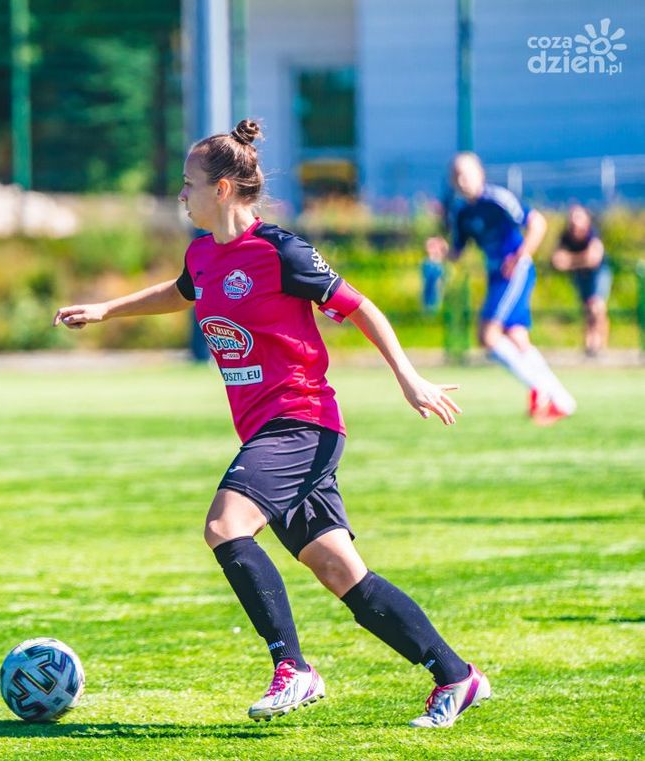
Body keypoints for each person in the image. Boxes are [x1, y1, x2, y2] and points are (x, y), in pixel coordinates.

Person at [53, 120, 490, 729]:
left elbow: (361, 306)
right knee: (342, 573)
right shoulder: (203, 253)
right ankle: (457, 676)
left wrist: (408, 377)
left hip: (303, 422)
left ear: (225, 188)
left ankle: (294, 669)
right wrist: (106, 310)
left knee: (225, 525)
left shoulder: (280, 251)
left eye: (189, 184)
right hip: (266, 432)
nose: (182, 195)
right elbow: (182, 291)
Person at [426, 153, 576, 425]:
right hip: (496, 275)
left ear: (480, 173)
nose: (462, 180)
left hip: (515, 272)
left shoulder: (497, 198)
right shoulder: (463, 212)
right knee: (517, 338)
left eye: (467, 173)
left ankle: (541, 390)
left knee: (488, 335)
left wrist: (520, 257)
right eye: (457, 175)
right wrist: (442, 250)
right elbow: (458, 253)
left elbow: (537, 223)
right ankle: (562, 400)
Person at [551, 204, 611, 356]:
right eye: (572, 218)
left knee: (597, 307)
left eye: (578, 217)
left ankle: (599, 346)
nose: (575, 222)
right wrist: (581, 260)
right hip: (581, 275)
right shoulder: (566, 236)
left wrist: (570, 261)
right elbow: (557, 261)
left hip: (599, 273)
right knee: (587, 309)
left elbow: (594, 259)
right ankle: (589, 346)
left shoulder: (592, 234)